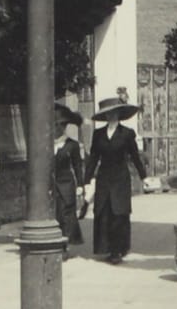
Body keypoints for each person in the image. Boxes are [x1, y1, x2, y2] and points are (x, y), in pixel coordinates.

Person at [85, 96, 146, 264]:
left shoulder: (127, 134)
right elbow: (93, 159)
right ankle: (106, 248)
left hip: (120, 179)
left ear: (119, 114)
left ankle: (118, 250)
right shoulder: (98, 134)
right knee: (104, 213)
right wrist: (86, 180)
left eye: (114, 113)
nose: (111, 116)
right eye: (108, 113)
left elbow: (135, 156)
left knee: (119, 213)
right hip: (104, 178)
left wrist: (144, 176)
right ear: (105, 116)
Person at [51, 103, 86, 253]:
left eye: (60, 125)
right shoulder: (47, 145)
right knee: (56, 214)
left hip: (66, 185)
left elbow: (77, 166)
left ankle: (65, 245)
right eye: (55, 125)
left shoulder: (72, 145)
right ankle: (56, 242)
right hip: (51, 186)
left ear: (64, 127)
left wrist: (80, 186)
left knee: (67, 214)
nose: (57, 128)